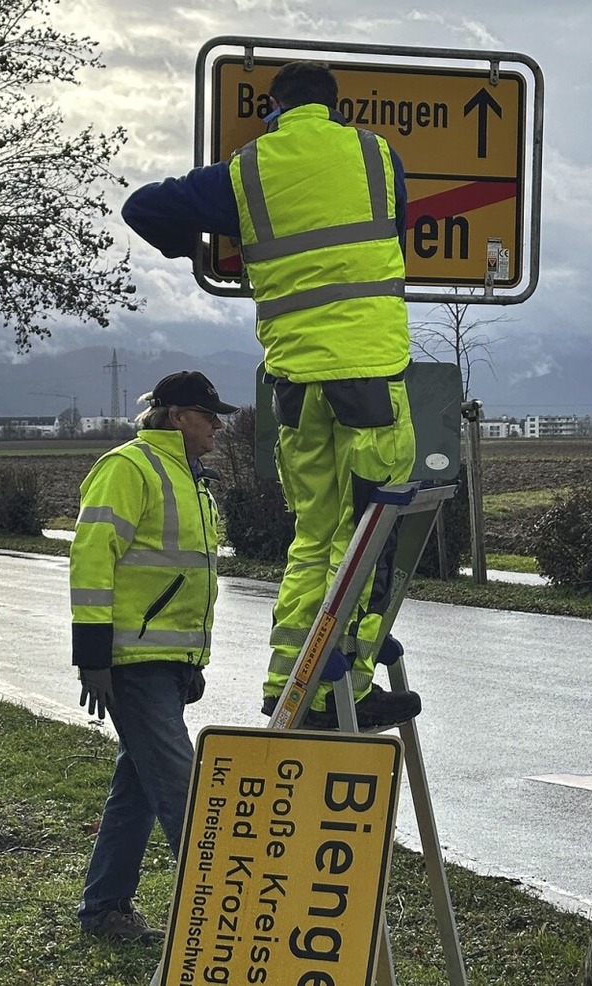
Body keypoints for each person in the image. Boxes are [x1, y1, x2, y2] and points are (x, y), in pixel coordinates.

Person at [121, 60, 421, 731]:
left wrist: (199, 251)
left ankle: (288, 680)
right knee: (372, 535)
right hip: (370, 374)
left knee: (314, 536)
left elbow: (141, 207)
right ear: (336, 106)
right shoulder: (377, 156)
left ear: (274, 108)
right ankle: (346, 679)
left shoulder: (246, 170)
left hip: (294, 384)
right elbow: (391, 232)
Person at [70, 369, 238, 941]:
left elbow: (190, 578)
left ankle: (105, 911)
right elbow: (92, 561)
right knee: (182, 789)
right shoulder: (129, 467)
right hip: (133, 662)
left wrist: (191, 661)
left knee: (138, 789)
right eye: (209, 415)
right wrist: (93, 654)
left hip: (168, 662)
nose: (218, 426)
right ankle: (220, 923)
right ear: (177, 417)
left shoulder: (192, 479)